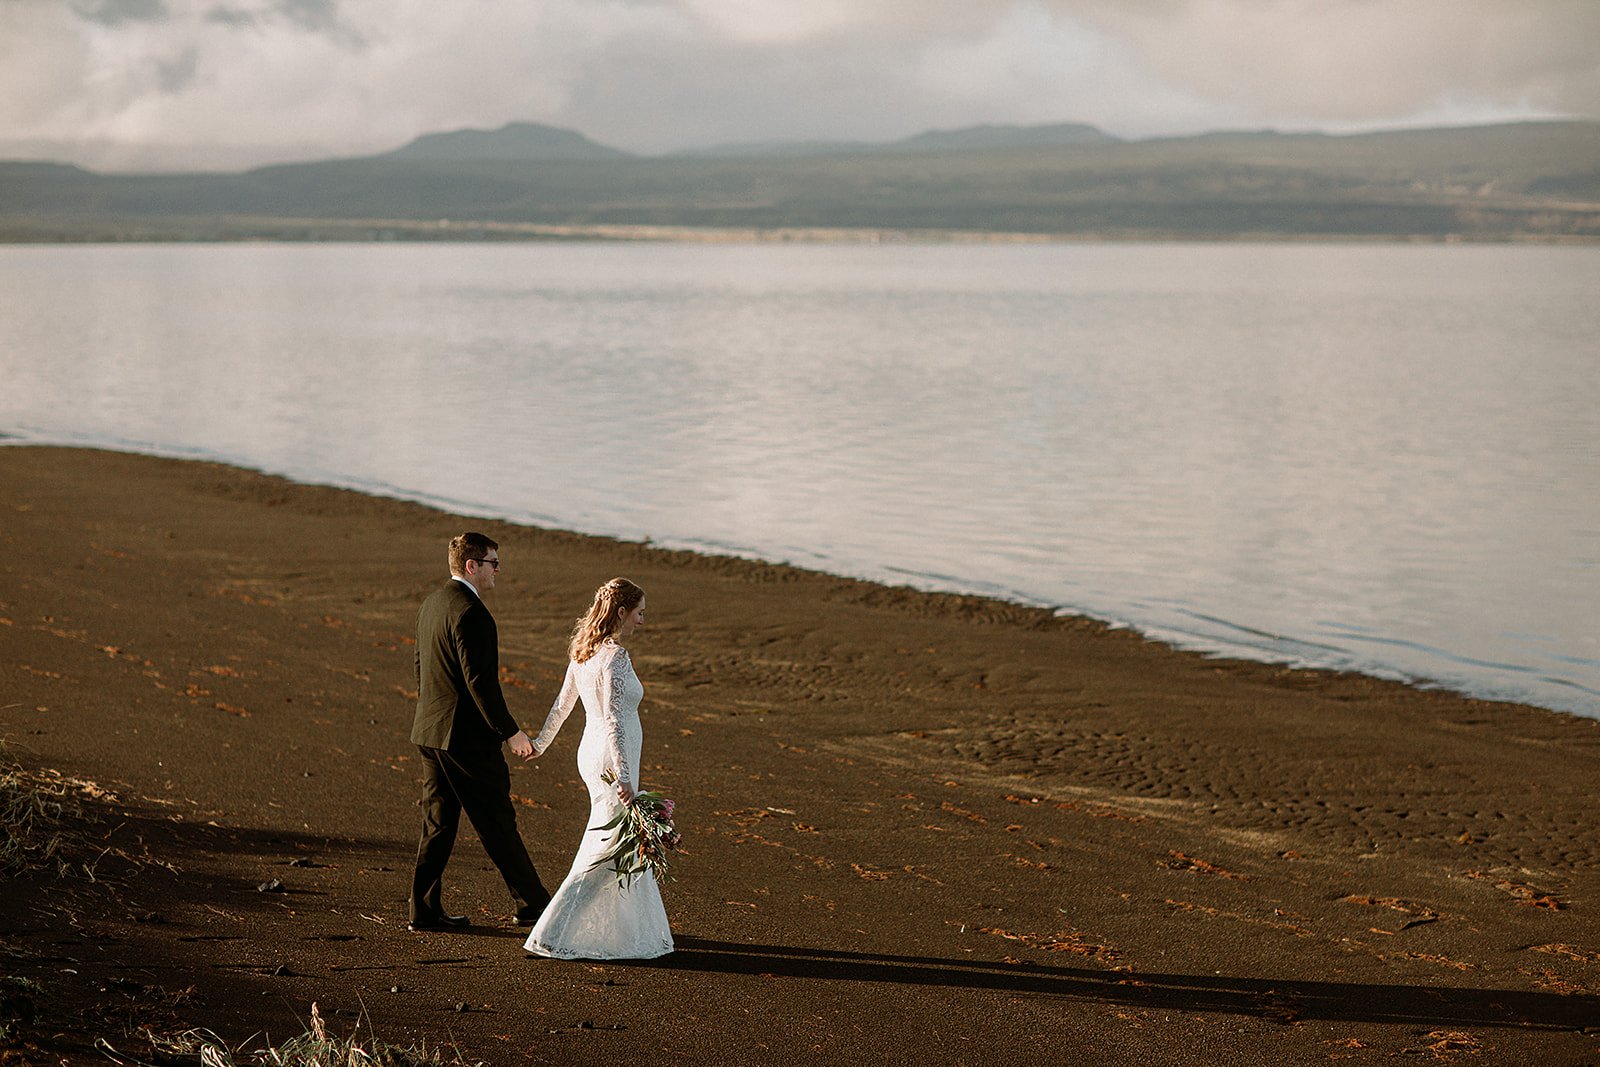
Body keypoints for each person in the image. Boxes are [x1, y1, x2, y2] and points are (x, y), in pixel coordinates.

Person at [408, 532, 551, 932]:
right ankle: (535, 906)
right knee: (497, 822)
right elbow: (480, 683)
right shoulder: (472, 613)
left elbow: (421, 667)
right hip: (464, 740)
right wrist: (511, 733)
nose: (498, 571)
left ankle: (424, 911)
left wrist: (432, 714)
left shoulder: (431, 604)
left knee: (438, 825)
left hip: (430, 732)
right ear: (472, 566)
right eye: (493, 563)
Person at [524, 577, 673, 960]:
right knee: (607, 844)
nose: (642, 620)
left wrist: (541, 743)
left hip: (591, 754)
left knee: (621, 842)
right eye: (639, 612)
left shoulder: (583, 652)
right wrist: (624, 777)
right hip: (610, 759)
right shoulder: (614, 657)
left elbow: (562, 704)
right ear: (622, 612)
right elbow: (614, 722)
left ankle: (622, 933)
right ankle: (555, 929)